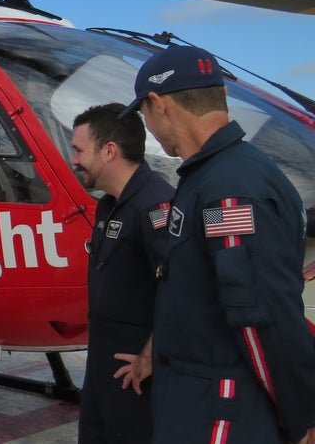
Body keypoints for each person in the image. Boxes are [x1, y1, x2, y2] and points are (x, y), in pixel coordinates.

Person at [121, 45, 315, 444]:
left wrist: (302, 419)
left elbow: (260, 320)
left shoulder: (230, 189)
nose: (149, 127)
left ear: (158, 104)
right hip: (196, 400)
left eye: (143, 115)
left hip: (220, 414)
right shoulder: (214, 175)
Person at [70, 103, 173, 443]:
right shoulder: (109, 203)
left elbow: (185, 289)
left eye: (79, 150)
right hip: (103, 359)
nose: (74, 160)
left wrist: (151, 355)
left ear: (109, 150)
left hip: (134, 371)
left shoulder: (155, 207)